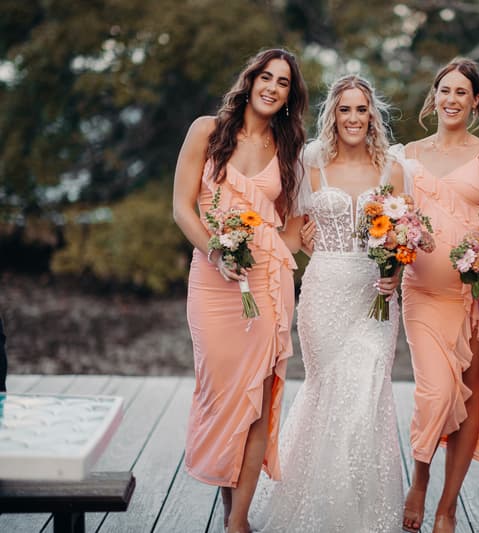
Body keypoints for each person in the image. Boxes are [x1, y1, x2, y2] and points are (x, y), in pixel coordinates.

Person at [248, 74, 406, 533]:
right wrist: (256, 244)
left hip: (376, 299)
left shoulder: (391, 170)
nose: (353, 118)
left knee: (367, 395)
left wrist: (394, 271)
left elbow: (407, 238)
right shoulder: (310, 164)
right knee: (329, 394)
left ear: (372, 115)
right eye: (345, 109)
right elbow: (293, 236)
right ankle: (319, 515)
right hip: (325, 294)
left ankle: (362, 517)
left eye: (361, 109)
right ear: (332, 115)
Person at [172, 48, 308, 533]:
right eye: (266, 77)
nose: (272, 87)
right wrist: (217, 251)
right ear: (250, 81)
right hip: (213, 283)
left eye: (284, 82)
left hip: (268, 284)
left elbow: (292, 230)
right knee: (223, 394)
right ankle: (231, 509)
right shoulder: (206, 131)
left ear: (291, 95)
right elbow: (183, 208)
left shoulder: (289, 149)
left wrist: (284, 249)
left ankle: (238, 521)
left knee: (258, 399)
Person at [400, 58, 479, 533]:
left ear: (476, 101)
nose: (451, 99)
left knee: (470, 397)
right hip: (424, 293)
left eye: (462, 92)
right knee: (435, 393)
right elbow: (395, 222)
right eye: (444, 90)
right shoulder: (408, 154)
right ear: (433, 96)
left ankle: (447, 506)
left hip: (477, 293)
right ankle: (419, 478)